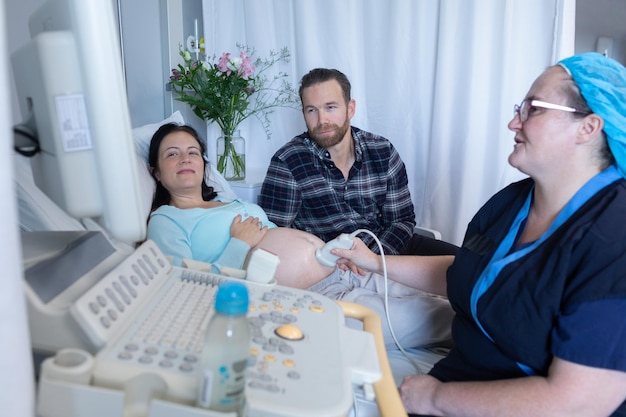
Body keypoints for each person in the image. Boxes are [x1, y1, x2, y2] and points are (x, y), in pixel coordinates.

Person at [331, 52, 626, 417]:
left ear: (588, 128)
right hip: (457, 380)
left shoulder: (614, 240)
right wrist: (374, 262)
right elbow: (471, 272)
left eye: (533, 109)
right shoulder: (510, 203)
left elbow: (579, 403)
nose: (512, 122)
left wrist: (434, 399)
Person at [145, 122, 455, 350]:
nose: (185, 159)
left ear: (203, 163)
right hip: (313, 301)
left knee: (455, 292)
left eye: (192, 152)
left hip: (345, 268)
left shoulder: (230, 203)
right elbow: (183, 288)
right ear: (156, 171)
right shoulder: (166, 220)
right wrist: (240, 243)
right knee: (440, 321)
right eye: (172, 154)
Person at [258, 68, 458, 256]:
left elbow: (401, 221)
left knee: (473, 266)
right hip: (333, 263)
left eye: (330, 107)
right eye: (312, 110)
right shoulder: (288, 162)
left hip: (388, 250)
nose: (322, 120)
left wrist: (375, 261)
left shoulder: (382, 151)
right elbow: (274, 237)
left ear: (350, 108)